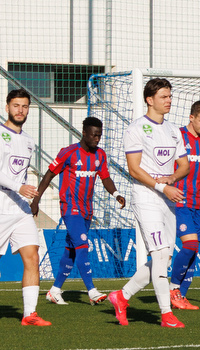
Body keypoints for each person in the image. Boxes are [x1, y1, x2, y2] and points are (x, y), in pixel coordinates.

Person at [107, 78, 193, 328]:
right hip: (146, 198)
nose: (169, 101)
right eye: (164, 96)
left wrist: (172, 178)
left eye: (169, 96)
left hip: (167, 198)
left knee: (163, 257)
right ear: (149, 99)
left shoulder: (174, 130)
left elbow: (185, 165)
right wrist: (161, 186)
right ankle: (166, 314)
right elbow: (134, 170)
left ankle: (121, 297)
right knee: (158, 253)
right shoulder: (136, 129)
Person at [32, 116, 124, 307]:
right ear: (84, 133)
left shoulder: (100, 155)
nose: (97, 139)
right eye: (93, 135)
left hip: (86, 210)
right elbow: (49, 174)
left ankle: (55, 291)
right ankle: (91, 290)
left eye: (99, 135)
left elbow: (105, 177)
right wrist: (36, 199)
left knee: (71, 249)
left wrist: (116, 194)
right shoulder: (69, 153)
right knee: (82, 245)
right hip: (70, 207)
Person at [164, 101, 200, 309]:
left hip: (199, 203)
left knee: (194, 250)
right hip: (179, 202)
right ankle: (172, 288)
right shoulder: (176, 136)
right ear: (191, 117)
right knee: (190, 245)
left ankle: (181, 296)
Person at [1, 88, 49, 326]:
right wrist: (19, 187)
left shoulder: (29, 140)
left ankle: (29, 314)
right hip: (0, 208)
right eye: (16, 105)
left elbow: (19, 174)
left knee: (32, 256)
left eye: (25, 106)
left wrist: (31, 196)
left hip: (19, 209)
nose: (21, 110)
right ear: (7, 107)